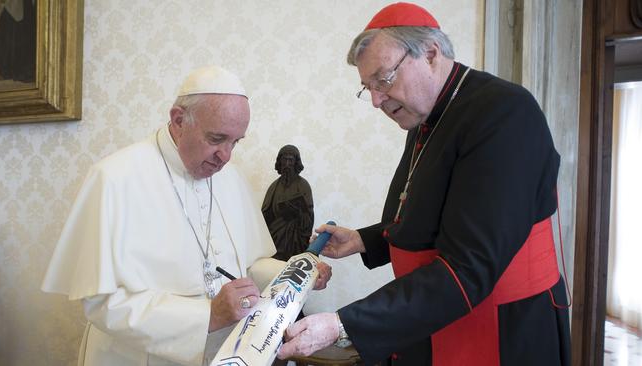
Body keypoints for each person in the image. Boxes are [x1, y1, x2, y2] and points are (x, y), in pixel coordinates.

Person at [277, 3, 570, 366]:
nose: (375, 100)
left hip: (501, 329)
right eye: (367, 88)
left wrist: (342, 324)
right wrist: (364, 241)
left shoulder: (504, 112)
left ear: (430, 54)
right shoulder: (424, 118)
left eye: (383, 80)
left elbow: (470, 265)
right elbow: (429, 214)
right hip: (435, 318)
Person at [41, 65, 331, 366]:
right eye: (217, 138)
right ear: (179, 120)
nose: (226, 156)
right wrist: (208, 314)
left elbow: (247, 266)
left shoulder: (230, 178)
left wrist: (298, 273)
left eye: (236, 142)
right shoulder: (114, 178)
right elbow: (102, 302)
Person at [262, 144, 314, 261]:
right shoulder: (274, 186)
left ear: (296, 162)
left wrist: (297, 212)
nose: (287, 164)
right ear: (279, 162)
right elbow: (264, 216)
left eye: (290, 160)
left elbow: (309, 217)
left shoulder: (303, 185)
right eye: (284, 160)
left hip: (296, 241)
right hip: (275, 241)